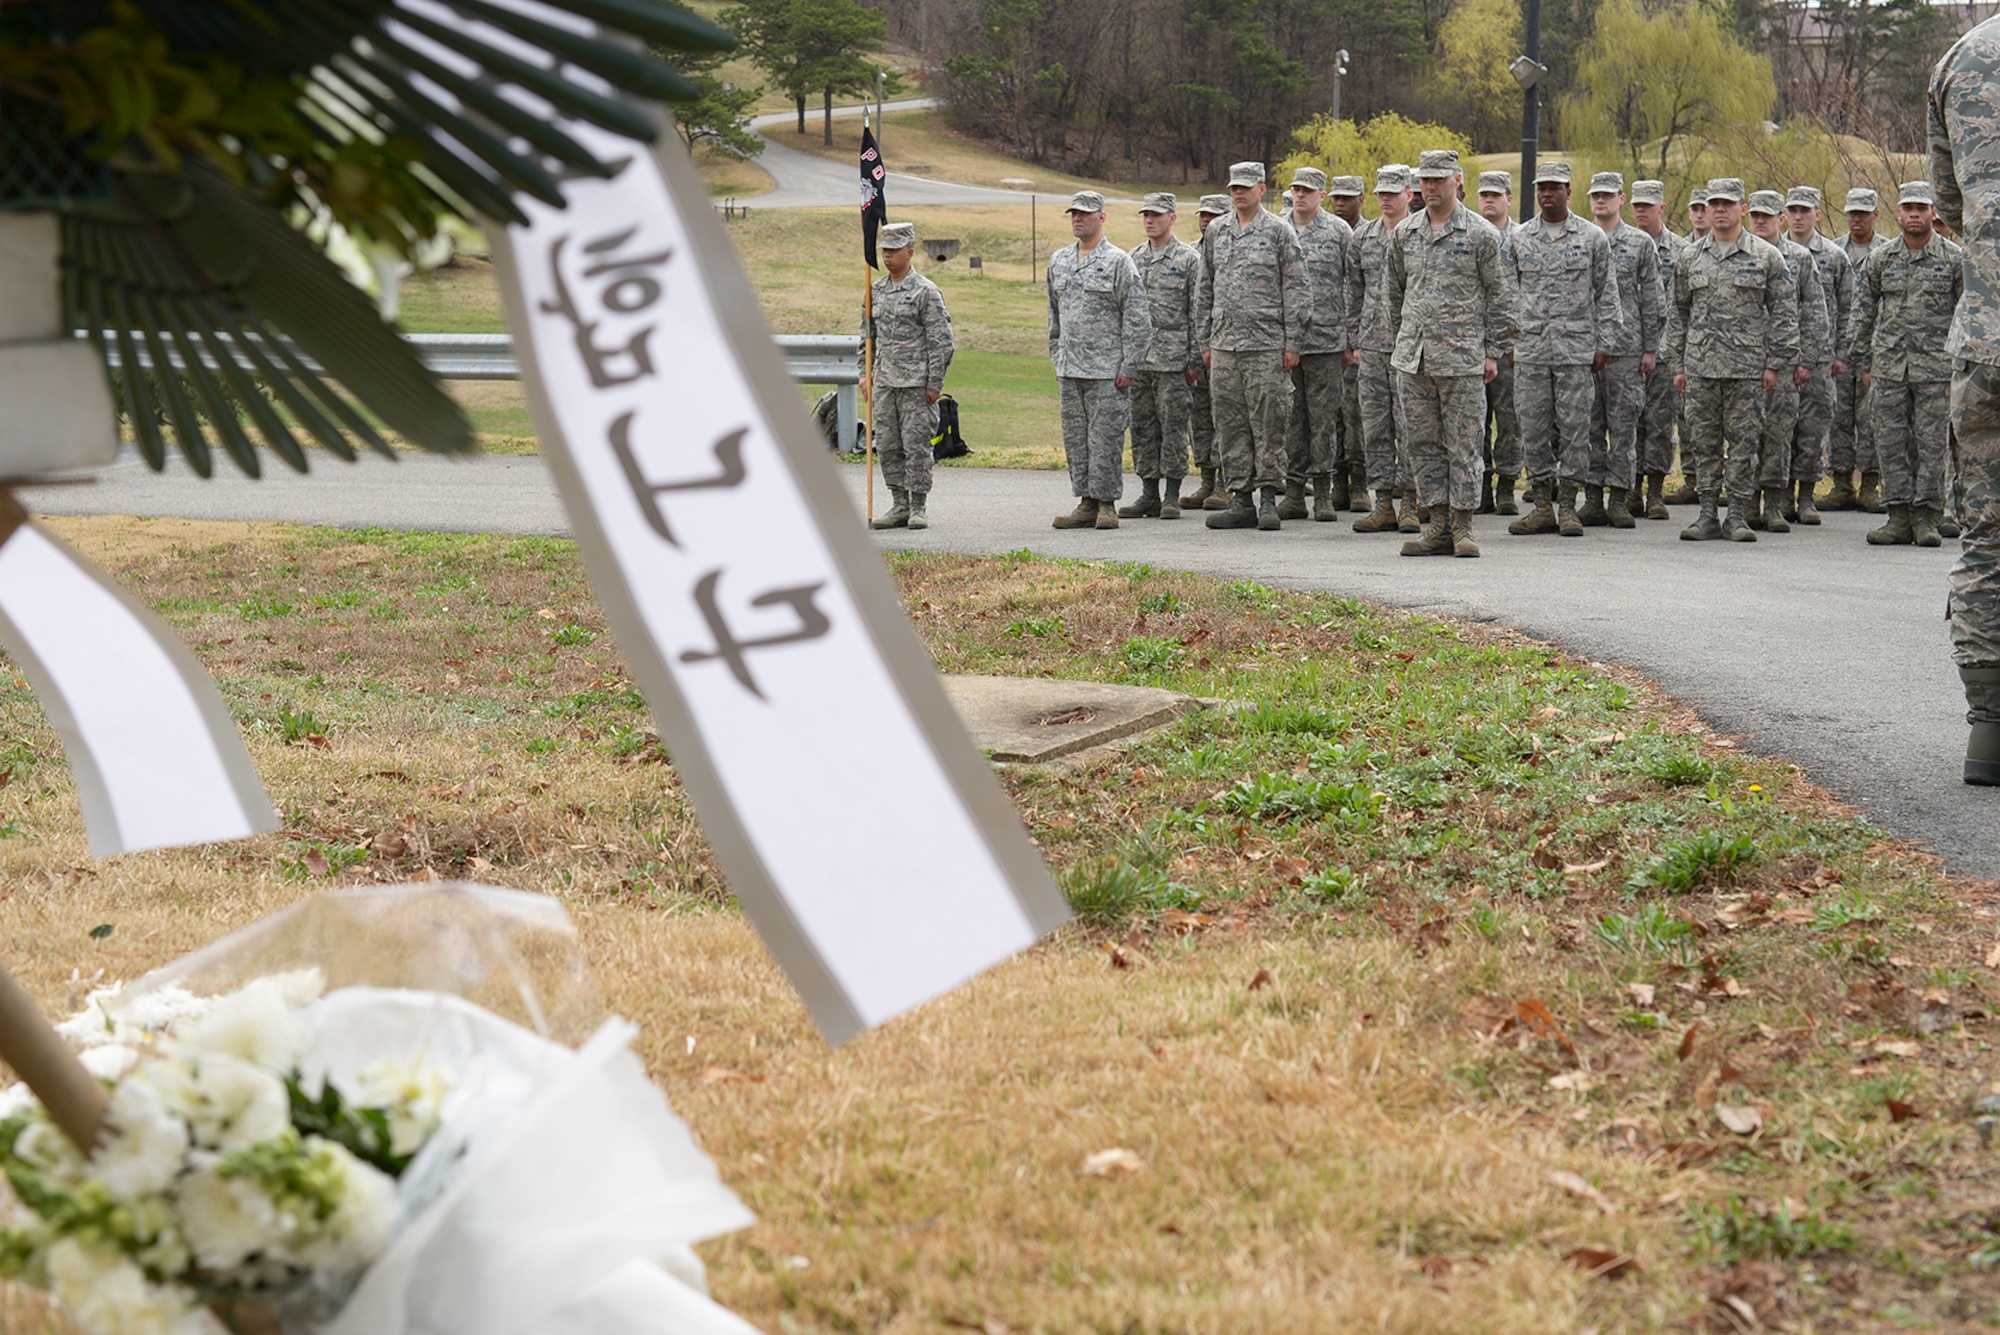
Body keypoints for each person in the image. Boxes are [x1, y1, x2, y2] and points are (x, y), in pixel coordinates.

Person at [1929, 15, 2000, 783]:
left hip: (1986, 340)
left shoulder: (1963, 55)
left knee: (1988, 540)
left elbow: (1949, 201)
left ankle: (1990, 734)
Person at [1385, 149, 1516, 558]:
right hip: (1415, 358)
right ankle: (1437, 523)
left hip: (1462, 359)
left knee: (1465, 443)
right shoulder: (1405, 233)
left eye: (1438, 180)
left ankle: (1463, 526)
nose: (1430, 187)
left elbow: (1502, 297)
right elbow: (1392, 294)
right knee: (1422, 443)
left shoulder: (1480, 234)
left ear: (1457, 180)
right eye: (1425, 180)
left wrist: (1492, 351)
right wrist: (1402, 342)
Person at [1668, 178, 1800, 542]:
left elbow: (1785, 313)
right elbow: (1677, 312)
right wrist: (1677, 364)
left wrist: (1775, 363)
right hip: (1700, 369)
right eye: (1714, 204)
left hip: (1747, 370)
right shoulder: (1689, 257)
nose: (1720, 209)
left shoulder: (1765, 256)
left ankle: (1738, 516)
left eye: (1728, 203)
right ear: (1706, 210)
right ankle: (1708, 513)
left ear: (1742, 208)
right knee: (1703, 443)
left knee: (1744, 443)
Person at [1197, 161, 1310, 530]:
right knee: (1230, 424)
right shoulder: (1216, 230)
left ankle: (1267, 499)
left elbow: (1297, 288)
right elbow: (1205, 287)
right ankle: (1240, 498)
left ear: (1262, 189)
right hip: (1225, 345)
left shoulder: (1279, 231)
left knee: (1270, 423)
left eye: (1245, 186)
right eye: (1233, 187)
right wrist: (1206, 340)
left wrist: (1292, 341)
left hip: (1266, 346)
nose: (1238, 192)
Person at [1850, 180, 1963, 548]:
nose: (1914, 214)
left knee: (1933, 445)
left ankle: (1927, 516)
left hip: (1936, 369)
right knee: (1890, 442)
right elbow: (1862, 312)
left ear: (1933, 213)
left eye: (1921, 208)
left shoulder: (1953, 259)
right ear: (1898, 213)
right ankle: (1898, 516)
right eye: (1908, 208)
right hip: (1889, 367)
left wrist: (1963, 363)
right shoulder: (1881, 259)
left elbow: (1966, 315)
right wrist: (1863, 360)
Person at [1507, 161, 1618, 539]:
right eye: (1541, 188)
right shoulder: (1519, 238)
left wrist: (1604, 344)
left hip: (1575, 352)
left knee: (1575, 430)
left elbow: (1607, 294)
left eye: (1554, 187)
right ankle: (1541, 505)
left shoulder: (1591, 238)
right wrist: (1507, 341)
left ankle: (1569, 505)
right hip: (1531, 350)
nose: (1546, 194)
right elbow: (1505, 294)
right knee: (1533, 429)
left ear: (1569, 193)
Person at [1046, 190, 1152, 530]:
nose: (1078, 219)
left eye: (1086, 214)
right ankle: (1086, 501)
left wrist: (1129, 366)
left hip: (1108, 371)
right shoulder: (1059, 261)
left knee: (1105, 439)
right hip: (1071, 369)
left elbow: (1137, 318)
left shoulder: (1119, 261)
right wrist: (1057, 357)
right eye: (1074, 213)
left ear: (1102, 217)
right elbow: (1054, 316)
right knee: (1076, 439)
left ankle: (1107, 503)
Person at [860, 221, 954, 532]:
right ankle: (898, 502)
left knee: (917, 446)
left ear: (910, 252)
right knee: (887, 444)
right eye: (884, 251)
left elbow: (942, 341)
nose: (887, 256)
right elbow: (866, 336)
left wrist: (934, 384)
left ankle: (918, 505)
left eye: (893, 251)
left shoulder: (925, 291)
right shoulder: (874, 291)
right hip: (885, 382)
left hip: (916, 384)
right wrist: (865, 374)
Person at [1744, 191, 1829, 533]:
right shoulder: (1739, 254)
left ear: (1780, 218)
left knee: (1780, 433)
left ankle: (1775, 503)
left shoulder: (1800, 258)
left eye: (1767, 216)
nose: (1760, 222)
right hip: (1744, 361)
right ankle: (1748, 501)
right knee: (1746, 434)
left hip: (1784, 363)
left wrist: (1807, 359)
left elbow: (1814, 310)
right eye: (1755, 216)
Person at [1585, 171, 1664, 527]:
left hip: (1627, 350)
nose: (1601, 202)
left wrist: (1650, 348)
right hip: (1585, 350)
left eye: (1607, 196)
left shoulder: (1639, 244)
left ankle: (1619, 498)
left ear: (1621, 198)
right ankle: (1591, 498)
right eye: (1595, 196)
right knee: (1587, 427)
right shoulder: (1581, 239)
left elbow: (1653, 298)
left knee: (1624, 428)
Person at [1121, 192, 1203, 520]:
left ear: (1172, 217)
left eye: (1155, 214)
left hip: (1174, 362)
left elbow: (1198, 312)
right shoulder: (1133, 259)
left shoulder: (1188, 259)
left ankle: (1171, 494)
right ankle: (1148, 492)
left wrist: (1194, 360)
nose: (1149, 220)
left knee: (1173, 428)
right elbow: (1125, 311)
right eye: (1145, 215)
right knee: (1142, 427)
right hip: (1141, 361)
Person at [1346, 164, 1416, 533]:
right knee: (1375, 426)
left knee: (1410, 426)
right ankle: (1383, 502)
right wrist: (1355, 339)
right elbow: (1354, 291)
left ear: (1409, 194)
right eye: (1381, 193)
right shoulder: (1363, 238)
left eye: (1394, 192)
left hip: (1409, 345)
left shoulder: (1417, 234)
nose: (1386, 199)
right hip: (1371, 346)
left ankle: (1410, 502)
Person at [1281, 166, 1353, 522]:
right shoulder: (1278, 230)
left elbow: (1351, 286)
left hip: (1326, 341)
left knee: (1324, 420)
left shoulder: (1339, 231)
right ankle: (1294, 491)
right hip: (1285, 344)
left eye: (1308, 190)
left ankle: (1322, 492)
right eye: (1296, 189)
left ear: (1321, 195)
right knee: (1292, 421)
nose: (1300, 195)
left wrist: (1349, 341)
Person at [1782, 186, 1851, 526]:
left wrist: (1841, 353)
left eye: (1804, 211)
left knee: (1812, 428)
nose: (1798, 216)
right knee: (1778, 429)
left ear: (1817, 215)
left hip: (1820, 359)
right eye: (1793, 210)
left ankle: (1806, 496)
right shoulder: (1769, 250)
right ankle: (1780, 495)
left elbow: (1847, 308)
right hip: (1779, 356)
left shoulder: (1835, 256)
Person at [1828, 187, 1894, 512]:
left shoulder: (1888, 252)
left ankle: (1870, 485)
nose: (1857, 218)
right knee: (1838, 417)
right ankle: (1841, 484)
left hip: (1875, 349)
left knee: (1870, 419)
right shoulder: (1833, 251)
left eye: (1863, 213)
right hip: (1840, 349)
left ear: (1876, 215)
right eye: (1852, 212)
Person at [1630, 179, 1684, 519]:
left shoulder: (1680, 250)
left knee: (1660, 424)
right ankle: (1630, 489)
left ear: (1661, 208)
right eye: (1636, 205)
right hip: (1627, 350)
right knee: (1628, 423)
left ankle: (1655, 492)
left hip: (1664, 352)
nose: (1640, 211)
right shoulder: (1622, 244)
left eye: (1647, 206)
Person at [1476, 170, 1523, 516]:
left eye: (1496, 195)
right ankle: (1480, 486)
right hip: (1472, 344)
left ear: (1509, 198)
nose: (1489, 200)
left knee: (1509, 419)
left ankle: (1506, 485)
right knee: (1476, 420)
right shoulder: (1472, 236)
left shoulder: (1523, 239)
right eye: (1484, 195)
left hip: (1511, 348)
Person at [1665, 186, 1715, 504]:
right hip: (1692, 353)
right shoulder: (1683, 253)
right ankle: (1692, 479)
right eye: (1694, 209)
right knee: (1687, 420)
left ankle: (1714, 484)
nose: (1699, 214)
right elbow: (1677, 309)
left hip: (1726, 354)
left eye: (1704, 208)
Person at [1184, 195, 1232, 509]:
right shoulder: (1190, 252)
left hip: (1226, 344)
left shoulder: (1230, 248)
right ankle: (1207, 479)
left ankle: (1228, 482)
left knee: (1226, 416)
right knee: (1199, 416)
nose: (1206, 220)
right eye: (1203, 215)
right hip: (1197, 345)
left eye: (1213, 215)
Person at [1328, 175, 1370, 512]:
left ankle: (1360, 483)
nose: (1341, 205)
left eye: (1348, 198)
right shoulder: (1327, 233)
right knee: (1332, 415)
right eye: (1336, 198)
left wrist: (1355, 339)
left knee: (1357, 416)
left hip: (1361, 341)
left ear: (1361, 199)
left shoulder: (1370, 236)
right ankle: (1336, 482)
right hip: (1328, 338)